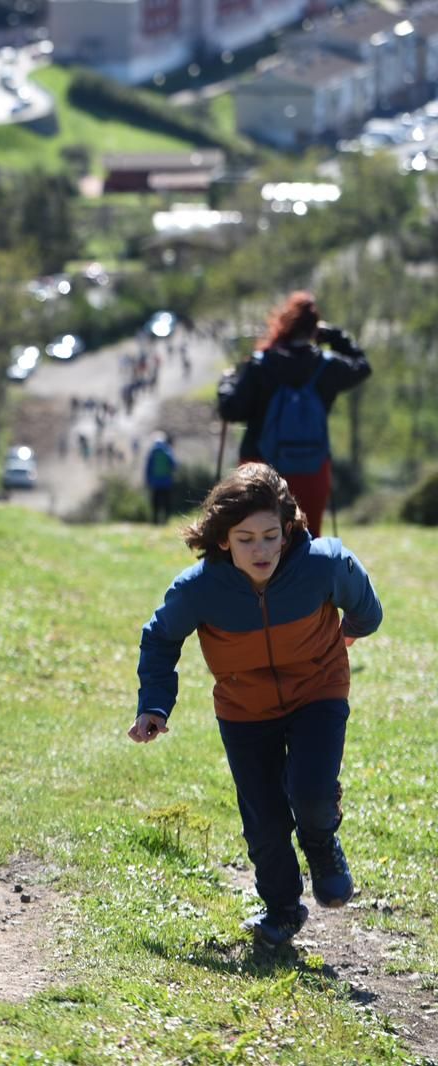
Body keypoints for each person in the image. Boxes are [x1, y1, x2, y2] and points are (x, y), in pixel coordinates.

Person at [132, 464, 382, 948]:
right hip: (245, 710)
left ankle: (322, 843)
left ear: (288, 530)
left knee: (310, 794)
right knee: (264, 819)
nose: (261, 549)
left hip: (318, 692)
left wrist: (351, 629)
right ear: (223, 540)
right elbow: (160, 639)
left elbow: (366, 605)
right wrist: (155, 706)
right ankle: (283, 909)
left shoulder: (323, 565)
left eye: (271, 536)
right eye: (245, 539)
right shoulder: (199, 589)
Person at [217, 291, 371, 536]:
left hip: (259, 469)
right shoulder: (327, 366)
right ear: (313, 330)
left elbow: (231, 409)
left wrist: (226, 383)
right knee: (307, 545)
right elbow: (362, 366)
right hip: (313, 468)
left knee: (257, 543)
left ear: (283, 323)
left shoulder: (261, 364)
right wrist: (333, 335)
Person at [144, 432, 177, 524]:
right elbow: (174, 465)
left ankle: (155, 520)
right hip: (167, 482)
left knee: (155, 502)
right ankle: (166, 520)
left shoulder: (152, 452)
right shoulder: (167, 450)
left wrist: (147, 480)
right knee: (166, 502)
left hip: (155, 482)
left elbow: (148, 468)